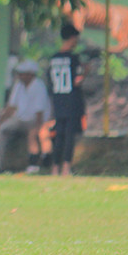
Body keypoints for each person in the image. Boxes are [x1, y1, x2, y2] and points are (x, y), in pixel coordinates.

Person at [0, 59, 51, 174]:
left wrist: (38, 128)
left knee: (33, 135)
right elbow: (11, 108)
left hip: (34, 120)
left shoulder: (38, 86)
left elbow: (39, 112)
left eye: (23, 73)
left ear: (31, 74)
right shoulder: (18, 85)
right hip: (20, 119)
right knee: (2, 130)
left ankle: (36, 165)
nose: (20, 76)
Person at [48, 24, 84, 176]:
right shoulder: (73, 58)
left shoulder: (53, 59)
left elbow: (50, 81)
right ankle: (66, 167)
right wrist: (86, 72)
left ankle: (54, 167)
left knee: (58, 134)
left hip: (58, 101)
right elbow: (76, 81)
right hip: (71, 101)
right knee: (69, 135)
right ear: (72, 38)